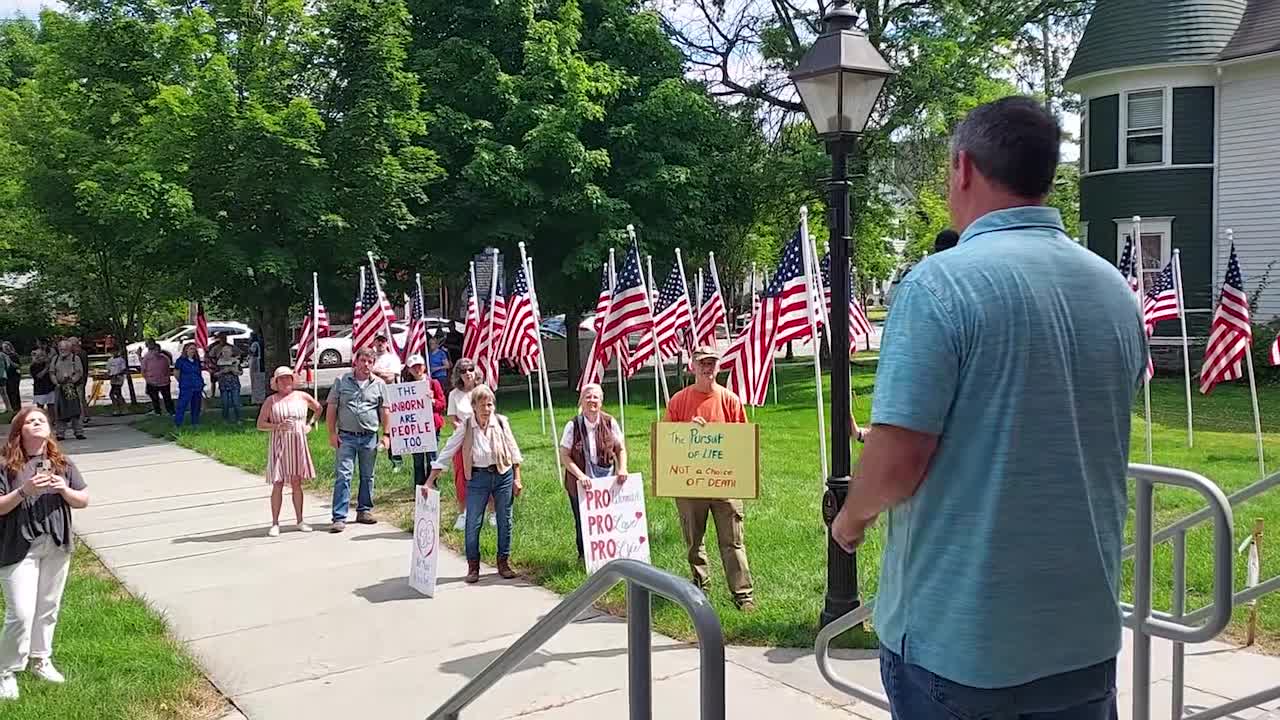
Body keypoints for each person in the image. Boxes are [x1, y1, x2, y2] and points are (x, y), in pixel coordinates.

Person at [829, 97, 1146, 719]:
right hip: (1082, 639)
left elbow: (897, 460)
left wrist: (850, 522)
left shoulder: (937, 285)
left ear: (963, 167)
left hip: (961, 646)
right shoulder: (1115, 291)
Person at [0, 407, 91, 700]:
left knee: (48, 606)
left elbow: (83, 499)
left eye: (42, 420)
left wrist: (64, 489)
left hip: (55, 543)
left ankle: (41, 659)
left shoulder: (61, 462)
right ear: (19, 430)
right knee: (21, 613)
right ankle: (6, 671)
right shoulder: (5, 465)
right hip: (17, 546)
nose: (38, 423)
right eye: (31, 420)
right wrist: (24, 490)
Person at [664, 345, 754, 612]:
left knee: (733, 541)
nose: (707, 368)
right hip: (690, 484)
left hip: (724, 483)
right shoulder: (678, 401)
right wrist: (687, 430)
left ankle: (743, 595)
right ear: (692, 366)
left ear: (718, 367)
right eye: (702, 363)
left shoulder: (730, 400)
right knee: (694, 542)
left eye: (712, 363)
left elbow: (742, 442)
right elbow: (666, 442)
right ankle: (700, 591)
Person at [426, 384, 523, 584]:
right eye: (482, 405)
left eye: (490, 405)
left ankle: (503, 562)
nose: (487, 409)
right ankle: (473, 566)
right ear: (474, 407)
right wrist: (430, 480)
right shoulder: (467, 425)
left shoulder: (502, 423)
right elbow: (448, 449)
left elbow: (513, 451)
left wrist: (517, 478)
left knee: (505, 520)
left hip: (502, 474)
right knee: (473, 522)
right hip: (478, 478)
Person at [558, 383, 627, 561]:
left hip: (607, 483)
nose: (592, 401)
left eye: (595, 397)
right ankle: (585, 557)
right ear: (581, 400)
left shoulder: (610, 422)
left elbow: (620, 449)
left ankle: (609, 556)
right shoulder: (572, 426)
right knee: (583, 522)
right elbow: (564, 455)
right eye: (587, 397)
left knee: (607, 520)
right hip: (580, 485)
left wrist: (622, 468)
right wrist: (580, 476)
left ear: (601, 402)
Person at [325, 347, 390, 533]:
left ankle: (364, 511)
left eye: (370, 362)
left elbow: (385, 410)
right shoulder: (342, 380)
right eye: (363, 361)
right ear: (356, 361)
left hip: (369, 437)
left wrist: (386, 434)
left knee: (367, 476)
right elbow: (331, 407)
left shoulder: (379, 384)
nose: (366, 365)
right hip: (346, 436)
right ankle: (339, 517)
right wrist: (331, 433)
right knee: (344, 475)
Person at [256, 367, 322, 537]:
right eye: (282, 379)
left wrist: (310, 424)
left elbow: (318, 408)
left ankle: (300, 520)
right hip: (279, 443)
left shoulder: (302, 396)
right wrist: (277, 426)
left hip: (298, 442)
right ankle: (275, 523)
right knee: (278, 483)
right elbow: (260, 424)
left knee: (296, 482)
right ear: (276, 382)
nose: (285, 382)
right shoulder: (271, 401)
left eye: (288, 378)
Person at [445, 358, 483, 530]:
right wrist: (466, 433)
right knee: (462, 477)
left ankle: (491, 512)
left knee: (486, 475)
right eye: (463, 371)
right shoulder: (454, 394)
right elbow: (452, 419)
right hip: (462, 440)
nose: (467, 373)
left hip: (483, 437)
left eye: (470, 369)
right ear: (458, 375)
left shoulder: (483, 391)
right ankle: (463, 513)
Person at [401, 355, 445, 487]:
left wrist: (431, 401)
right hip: (415, 427)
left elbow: (442, 404)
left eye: (419, 366)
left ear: (424, 367)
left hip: (431, 425)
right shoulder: (406, 388)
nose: (417, 369)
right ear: (409, 370)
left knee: (432, 457)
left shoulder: (433, 383)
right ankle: (419, 487)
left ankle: (432, 485)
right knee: (418, 459)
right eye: (414, 367)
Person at [371, 335, 404, 471]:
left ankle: (396, 461)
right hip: (372, 395)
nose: (380, 343)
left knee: (391, 428)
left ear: (387, 343)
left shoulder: (392, 358)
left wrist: (375, 373)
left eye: (383, 341)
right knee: (371, 427)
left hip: (389, 396)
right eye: (378, 341)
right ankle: (370, 460)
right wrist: (381, 374)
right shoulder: (370, 358)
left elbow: (391, 377)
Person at [50, 342, 84, 441]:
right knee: (60, 410)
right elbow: (52, 372)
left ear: (69, 349)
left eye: (64, 349)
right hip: (59, 387)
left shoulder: (75, 358)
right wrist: (56, 382)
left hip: (72, 387)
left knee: (76, 409)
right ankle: (60, 433)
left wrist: (72, 381)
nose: (62, 351)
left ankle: (79, 432)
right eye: (60, 349)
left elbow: (79, 372)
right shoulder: (55, 359)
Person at [173, 343, 205, 427]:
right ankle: (178, 423)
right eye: (191, 349)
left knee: (196, 405)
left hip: (197, 386)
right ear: (186, 350)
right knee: (182, 405)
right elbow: (176, 373)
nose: (192, 351)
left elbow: (199, 373)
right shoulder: (181, 361)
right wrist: (182, 381)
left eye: (194, 349)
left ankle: (195, 422)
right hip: (186, 386)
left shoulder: (196, 361)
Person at [142, 341, 175, 416]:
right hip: (152, 381)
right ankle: (158, 411)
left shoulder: (164, 358)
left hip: (164, 382)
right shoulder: (147, 357)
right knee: (154, 397)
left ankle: (171, 411)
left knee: (167, 397)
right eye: (155, 350)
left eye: (157, 350)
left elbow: (167, 369)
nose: (156, 351)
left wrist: (167, 377)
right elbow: (143, 369)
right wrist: (147, 378)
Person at [214, 342, 242, 423]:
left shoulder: (235, 361)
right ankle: (225, 419)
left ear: (231, 352)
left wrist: (233, 370)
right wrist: (222, 371)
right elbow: (215, 374)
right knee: (225, 403)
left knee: (236, 402)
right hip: (223, 385)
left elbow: (240, 372)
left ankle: (238, 419)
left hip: (234, 385)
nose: (226, 353)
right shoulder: (219, 362)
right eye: (224, 352)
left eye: (227, 352)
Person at [247, 331, 268, 405]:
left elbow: (252, 352)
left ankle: (258, 399)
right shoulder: (263, 343)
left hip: (257, 365)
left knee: (257, 382)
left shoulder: (255, 344)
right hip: (260, 364)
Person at [106, 349, 128, 416]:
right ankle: (119, 408)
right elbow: (108, 370)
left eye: (115, 351)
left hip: (119, 379)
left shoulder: (121, 360)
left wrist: (117, 375)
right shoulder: (110, 360)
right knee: (115, 394)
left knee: (115, 393)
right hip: (112, 379)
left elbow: (124, 369)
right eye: (112, 351)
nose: (114, 352)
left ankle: (121, 409)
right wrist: (108, 375)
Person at [1, 343, 20, 413]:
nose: (6, 348)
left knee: (14, 392)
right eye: (4, 347)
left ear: (10, 346)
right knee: (8, 392)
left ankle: (16, 408)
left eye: (7, 346)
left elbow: (17, 366)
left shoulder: (14, 355)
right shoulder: (3, 356)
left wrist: (10, 362)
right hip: (6, 376)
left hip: (14, 376)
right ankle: (11, 408)